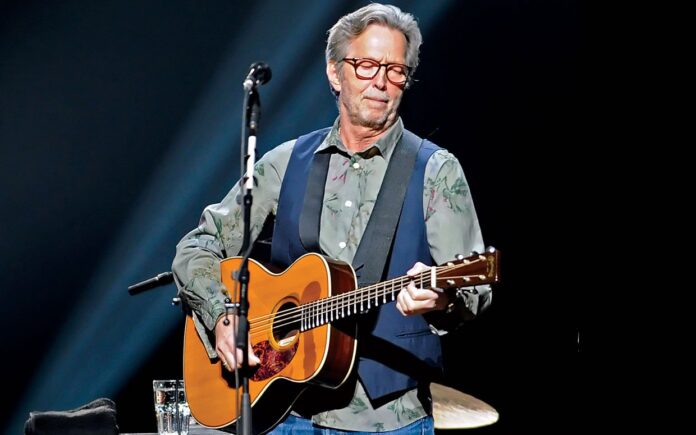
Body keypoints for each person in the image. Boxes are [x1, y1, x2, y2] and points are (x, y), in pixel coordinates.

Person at [172, 3, 491, 434]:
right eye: (366, 65)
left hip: (387, 420)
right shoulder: (285, 162)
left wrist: (444, 299)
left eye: (396, 70)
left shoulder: (436, 171)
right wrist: (221, 316)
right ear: (335, 73)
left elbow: (473, 290)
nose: (381, 81)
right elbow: (197, 246)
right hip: (286, 415)